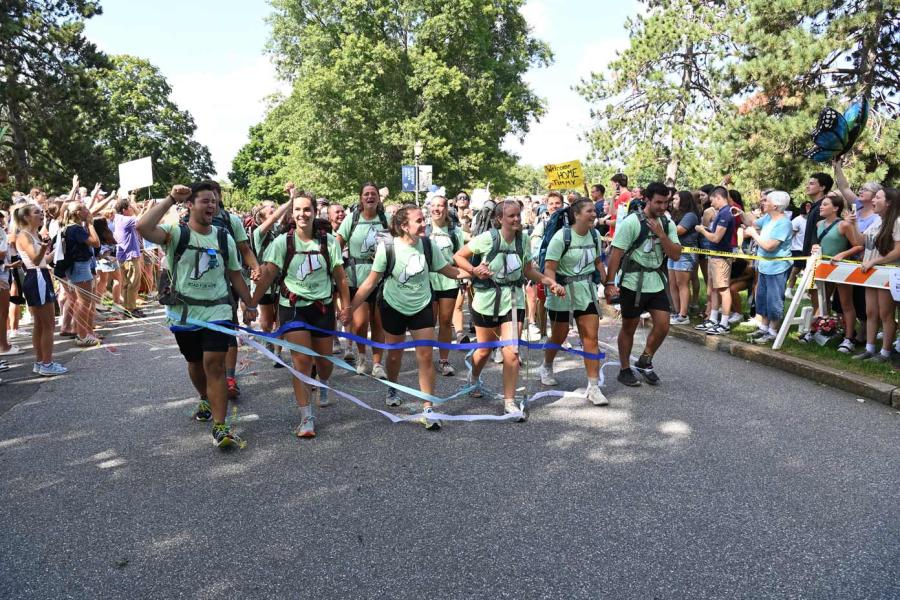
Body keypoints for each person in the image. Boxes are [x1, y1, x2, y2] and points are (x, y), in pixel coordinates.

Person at [137, 182, 258, 449]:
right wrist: (170, 199)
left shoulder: (224, 237)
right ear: (190, 205)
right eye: (205, 201)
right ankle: (204, 396)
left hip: (218, 310)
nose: (211, 206)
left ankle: (220, 426)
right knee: (194, 362)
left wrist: (249, 304)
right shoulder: (175, 233)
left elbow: (235, 274)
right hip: (184, 314)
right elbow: (142, 227)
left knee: (214, 365)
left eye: (214, 201)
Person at [350, 204, 466, 429]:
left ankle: (428, 409)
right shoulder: (388, 247)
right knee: (394, 357)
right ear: (404, 226)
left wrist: (475, 272)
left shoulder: (427, 245)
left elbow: (449, 271)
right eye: (419, 220)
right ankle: (393, 388)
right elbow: (371, 282)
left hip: (422, 306)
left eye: (424, 220)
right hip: (393, 306)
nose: (424, 224)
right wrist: (350, 308)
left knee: (425, 357)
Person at [250, 193, 350, 438]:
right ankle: (306, 418)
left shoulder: (329, 242)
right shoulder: (283, 242)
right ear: (292, 214)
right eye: (298, 210)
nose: (302, 214)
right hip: (292, 307)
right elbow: (268, 276)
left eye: (307, 209)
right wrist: (251, 304)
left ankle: (323, 383)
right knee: (302, 362)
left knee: (324, 362)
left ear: (315, 213)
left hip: (323, 308)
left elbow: (340, 277)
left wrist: (345, 306)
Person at [453, 200, 565, 420]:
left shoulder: (524, 240)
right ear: (499, 219)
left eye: (518, 215)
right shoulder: (488, 238)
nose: (516, 220)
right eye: (511, 216)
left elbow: (528, 271)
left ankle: (509, 402)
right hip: (486, 300)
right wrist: (475, 270)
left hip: (514, 301)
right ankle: (473, 377)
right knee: (484, 350)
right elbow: (458, 256)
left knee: (511, 352)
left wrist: (548, 282)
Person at [604, 182, 682, 387]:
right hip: (632, 282)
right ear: (647, 199)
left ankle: (645, 360)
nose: (662, 207)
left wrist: (661, 235)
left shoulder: (667, 224)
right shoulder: (632, 222)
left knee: (664, 325)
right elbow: (616, 253)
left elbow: (675, 253)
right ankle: (624, 369)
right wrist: (610, 283)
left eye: (666, 202)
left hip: (656, 282)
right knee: (629, 327)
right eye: (658, 202)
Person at [538, 198, 608, 406]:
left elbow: (597, 262)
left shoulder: (595, 235)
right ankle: (547, 365)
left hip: (586, 291)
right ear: (577, 215)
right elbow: (549, 267)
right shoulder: (562, 237)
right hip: (563, 292)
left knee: (591, 338)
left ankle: (593, 387)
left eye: (594, 211)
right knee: (559, 335)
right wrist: (553, 285)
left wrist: (609, 283)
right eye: (589, 211)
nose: (594, 214)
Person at [336, 183, 390, 379]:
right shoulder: (352, 219)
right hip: (356, 277)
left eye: (373, 194)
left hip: (381, 278)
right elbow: (336, 246)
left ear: (378, 198)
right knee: (359, 323)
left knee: (378, 322)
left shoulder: (386, 219)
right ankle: (361, 357)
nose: (370, 197)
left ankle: (377, 364)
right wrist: (337, 270)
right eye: (366, 194)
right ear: (361, 198)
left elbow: (397, 243)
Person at [13, 203, 66, 376]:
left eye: (41, 212)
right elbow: (35, 261)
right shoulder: (24, 235)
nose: (41, 214)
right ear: (27, 217)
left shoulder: (33, 234)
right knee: (48, 324)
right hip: (36, 277)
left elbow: (42, 260)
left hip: (39, 275)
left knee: (41, 324)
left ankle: (41, 362)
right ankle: (47, 363)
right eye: (37, 212)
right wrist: (44, 247)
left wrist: (56, 250)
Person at [810, 194, 863, 352]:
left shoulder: (843, 225)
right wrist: (815, 248)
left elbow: (858, 246)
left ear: (835, 208)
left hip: (840, 269)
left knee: (846, 304)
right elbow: (821, 243)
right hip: (824, 268)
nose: (821, 207)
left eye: (825, 204)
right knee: (823, 302)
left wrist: (842, 255)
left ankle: (848, 338)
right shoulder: (819, 223)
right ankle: (821, 330)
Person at [853, 188, 900, 362]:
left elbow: (898, 252)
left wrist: (874, 261)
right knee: (871, 312)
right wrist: (852, 225)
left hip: (886, 273)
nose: (873, 199)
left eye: (878, 197)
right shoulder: (876, 221)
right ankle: (870, 348)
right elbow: (860, 242)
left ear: (888, 202)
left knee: (886, 314)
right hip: (872, 274)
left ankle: (885, 352)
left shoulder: (897, 222)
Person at [742, 191, 794, 345]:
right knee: (763, 298)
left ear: (775, 206)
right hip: (765, 266)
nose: (763, 202)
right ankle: (763, 328)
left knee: (774, 300)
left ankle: (772, 331)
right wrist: (740, 213)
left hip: (777, 267)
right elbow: (752, 223)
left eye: (767, 201)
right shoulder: (768, 218)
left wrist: (753, 235)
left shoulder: (784, 223)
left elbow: (770, 246)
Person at [426, 196, 465, 376]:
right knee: (428, 322)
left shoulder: (454, 231)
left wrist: (467, 275)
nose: (437, 209)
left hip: (448, 280)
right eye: (433, 206)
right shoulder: (423, 230)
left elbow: (460, 256)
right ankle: (425, 358)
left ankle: (443, 360)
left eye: (440, 205)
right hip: (427, 281)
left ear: (446, 208)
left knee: (445, 321)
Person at [58, 200, 101, 346]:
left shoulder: (69, 227)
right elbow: (95, 242)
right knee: (84, 302)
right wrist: (90, 224)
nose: (87, 211)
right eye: (84, 209)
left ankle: (82, 333)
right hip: (80, 266)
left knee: (80, 301)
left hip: (78, 266)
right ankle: (82, 335)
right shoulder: (75, 229)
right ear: (77, 213)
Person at [694, 187, 735, 335]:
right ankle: (713, 319)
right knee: (713, 289)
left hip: (721, 257)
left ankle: (724, 323)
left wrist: (702, 230)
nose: (711, 204)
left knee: (723, 289)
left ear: (718, 197)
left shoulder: (725, 213)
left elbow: (716, 238)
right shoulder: (720, 213)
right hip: (714, 255)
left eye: (712, 201)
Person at [667, 191, 700, 324]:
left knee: (682, 284)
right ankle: (676, 311)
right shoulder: (675, 214)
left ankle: (683, 315)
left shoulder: (690, 215)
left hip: (685, 253)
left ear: (684, 200)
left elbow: (679, 230)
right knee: (673, 283)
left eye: (675, 199)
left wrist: (662, 229)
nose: (672, 201)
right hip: (673, 251)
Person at [113, 197, 145, 317]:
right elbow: (142, 220)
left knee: (127, 283)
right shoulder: (126, 220)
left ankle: (128, 308)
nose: (132, 209)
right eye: (130, 207)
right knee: (133, 283)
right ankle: (131, 308)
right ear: (125, 209)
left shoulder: (118, 218)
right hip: (129, 255)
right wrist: (148, 208)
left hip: (123, 255)